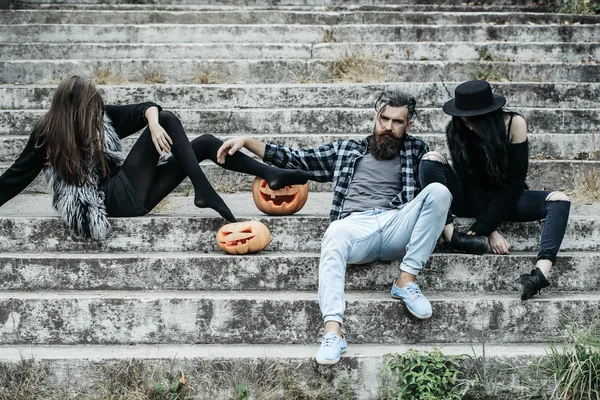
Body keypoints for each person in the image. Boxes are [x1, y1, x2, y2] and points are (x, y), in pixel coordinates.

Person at [216, 90, 452, 365]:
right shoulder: (346, 149)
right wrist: (247, 141)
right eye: (383, 119)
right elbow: (295, 158)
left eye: (397, 122)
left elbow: (439, 196)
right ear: (375, 117)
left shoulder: (417, 150)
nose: (388, 127)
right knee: (334, 232)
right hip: (354, 227)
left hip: (396, 222)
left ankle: (405, 280)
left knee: (438, 191)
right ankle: (333, 332)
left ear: (408, 126)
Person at [0, 76, 311, 238]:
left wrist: (151, 122)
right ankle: (203, 190)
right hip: (110, 200)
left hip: (136, 201)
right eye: (92, 104)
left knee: (201, 143)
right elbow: (16, 176)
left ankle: (271, 174)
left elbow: (146, 107)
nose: (98, 107)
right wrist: (158, 123)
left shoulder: (99, 118)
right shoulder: (47, 135)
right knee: (171, 120)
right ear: (83, 108)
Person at [419, 80, 571, 301]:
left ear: (489, 114)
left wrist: (488, 223)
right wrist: (490, 231)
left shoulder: (513, 124)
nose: (469, 125)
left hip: (507, 198)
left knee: (560, 199)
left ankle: (538, 276)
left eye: (475, 120)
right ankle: (453, 238)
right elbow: (469, 182)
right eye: (464, 119)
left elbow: (515, 182)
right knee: (431, 159)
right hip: (469, 198)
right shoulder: (456, 129)